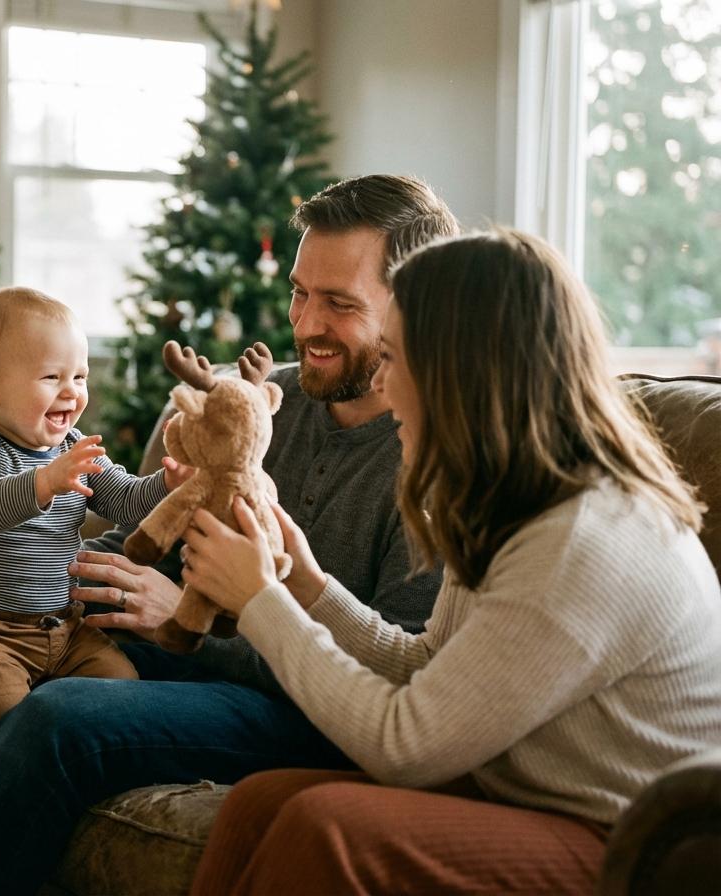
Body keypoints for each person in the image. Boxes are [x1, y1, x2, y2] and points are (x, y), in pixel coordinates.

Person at [0, 174, 460, 895]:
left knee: (61, 718)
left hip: (303, 709)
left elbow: (397, 679)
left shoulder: (438, 453)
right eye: (299, 291)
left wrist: (188, 620)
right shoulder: (248, 405)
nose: (304, 322)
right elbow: (125, 548)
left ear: (412, 308)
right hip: (167, 668)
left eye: (340, 304)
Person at [181, 228, 721, 894]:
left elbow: (405, 746)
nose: (378, 382)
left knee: (328, 824)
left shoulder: (581, 539)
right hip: (531, 800)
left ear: (461, 373)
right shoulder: (510, 499)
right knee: (258, 805)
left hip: (632, 844)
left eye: (393, 358)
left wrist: (262, 603)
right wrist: (307, 582)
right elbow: (428, 668)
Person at [0, 286, 189, 783]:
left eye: (80, 376)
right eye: (52, 377)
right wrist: (45, 481)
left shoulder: (74, 449)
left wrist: (167, 486)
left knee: (121, 687)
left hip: (65, 630)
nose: (72, 392)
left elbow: (127, 502)